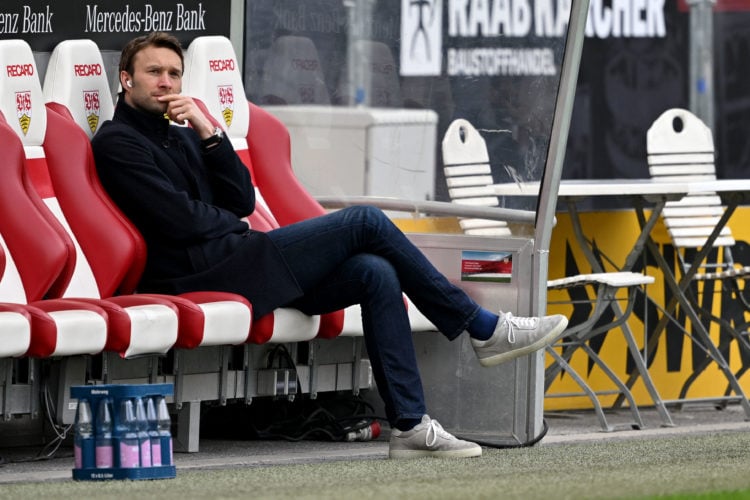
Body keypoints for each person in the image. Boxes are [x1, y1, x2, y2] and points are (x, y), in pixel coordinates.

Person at [91, 32, 568, 460]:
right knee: (364, 220)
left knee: (375, 273)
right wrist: (223, 225)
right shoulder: (116, 141)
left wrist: (209, 132)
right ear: (126, 79)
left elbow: (238, 199)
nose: (166, 82)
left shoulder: (185, 135)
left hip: (236, 258)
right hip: (197, 272)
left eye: (174, 73)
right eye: (154, 72)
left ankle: (409, 426)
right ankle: (480, 327)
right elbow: (180, 222)